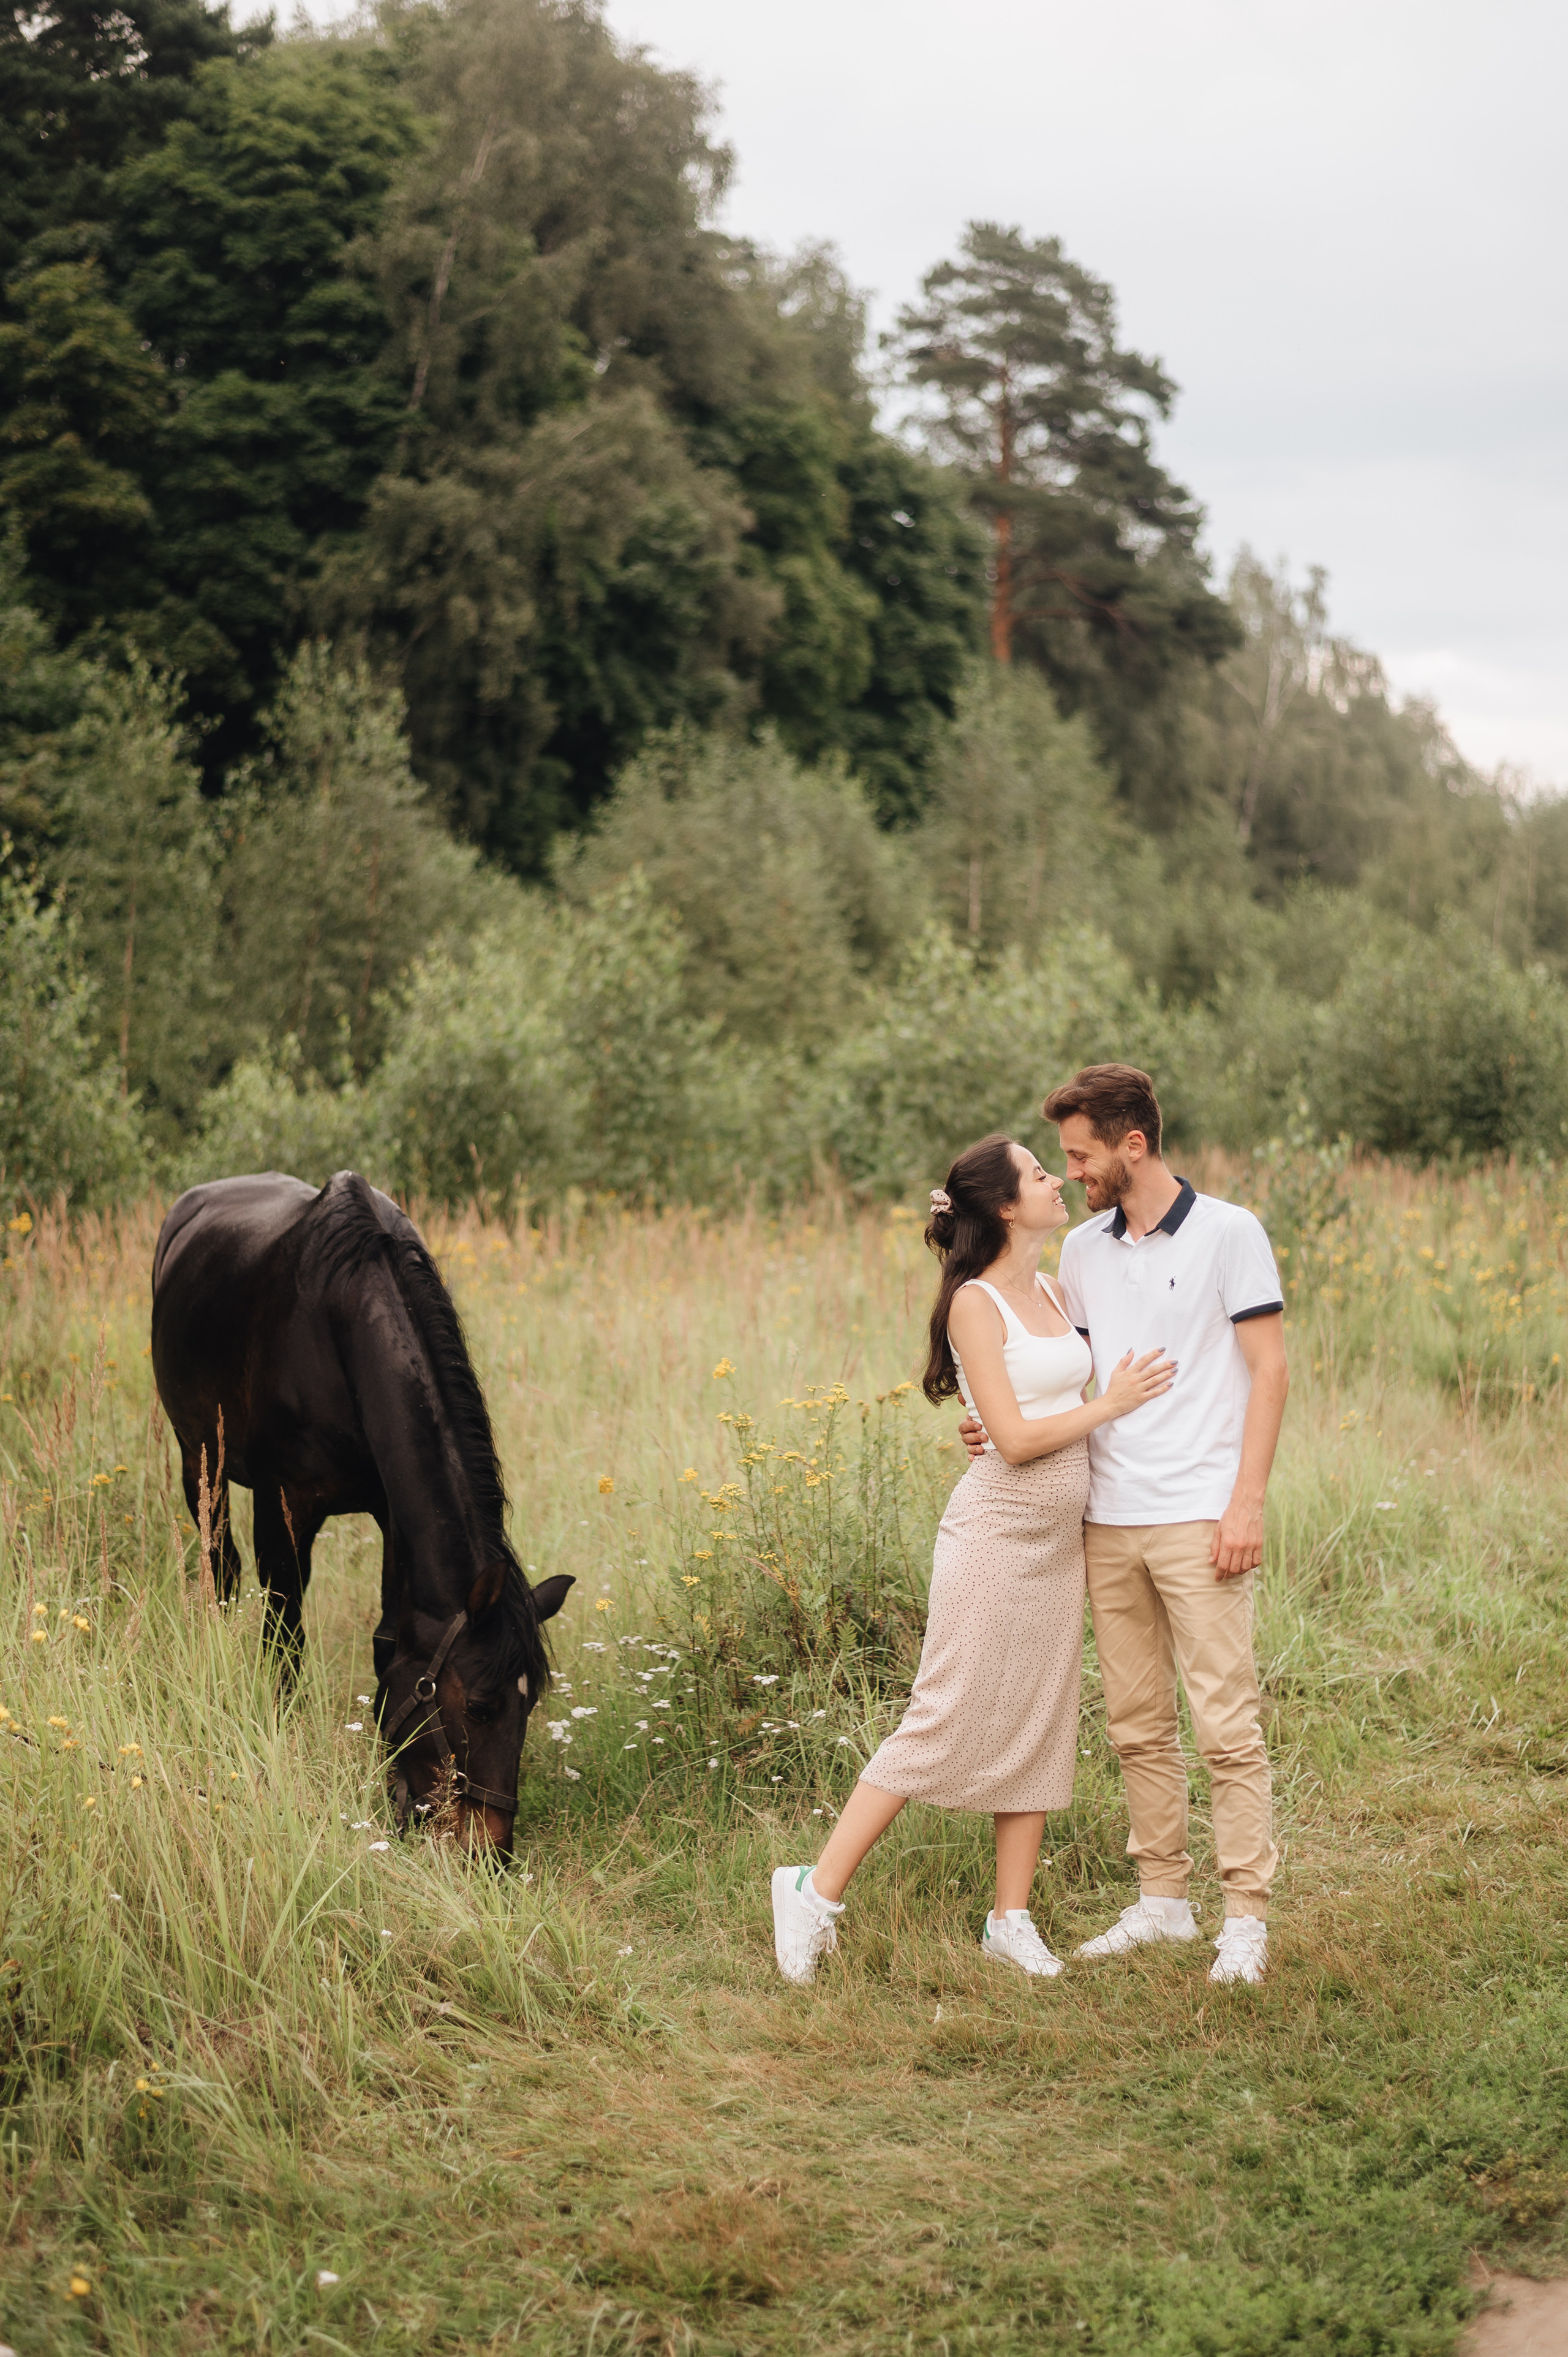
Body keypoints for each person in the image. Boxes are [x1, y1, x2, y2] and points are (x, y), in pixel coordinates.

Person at [771, 1132, 1174, 1988]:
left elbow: (1030, 1405)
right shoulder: (973, 1305)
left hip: (1058, 1544)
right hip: (994, 1536)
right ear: (1004, 1207)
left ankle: (1009, 1921)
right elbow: (1018, 1441)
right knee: (942, 1716)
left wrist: (1050, 1413)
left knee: (1040, 1720)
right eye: (1040, 1174)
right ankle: (812, 1891)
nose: (1057, 1182)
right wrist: (1110, 1404)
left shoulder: (1055, 1289)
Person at [961, 1065, 1289, 1987]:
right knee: (1137, 1727)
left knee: (1226, 1728)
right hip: (1104, 1521)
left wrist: (1246, 1503)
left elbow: (1270, 1372)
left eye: (1081, 1156)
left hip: (1199, 1516)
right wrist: (989, 1423)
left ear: (1132, 1146)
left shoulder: (1230, 1233)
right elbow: (1063, 1371)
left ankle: (1246, 1919)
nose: (1070, 1174)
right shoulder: (1083, 1252)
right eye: (1061, 1160)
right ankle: (1162, 1902)